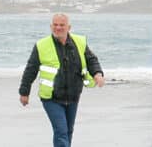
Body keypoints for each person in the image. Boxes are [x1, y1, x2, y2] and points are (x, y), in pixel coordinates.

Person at [19, 13, 104, 147]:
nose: (58, 28)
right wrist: (24, 92)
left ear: (69, 27)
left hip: (73, 96)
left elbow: (91, 60)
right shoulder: (42, 45)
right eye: (55, 25)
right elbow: (31, 69)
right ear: (51, 26)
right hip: (51, 98)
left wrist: (98, 73)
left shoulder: (80, 42)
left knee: (68, 132)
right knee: (61, 131)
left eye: (62, 25)